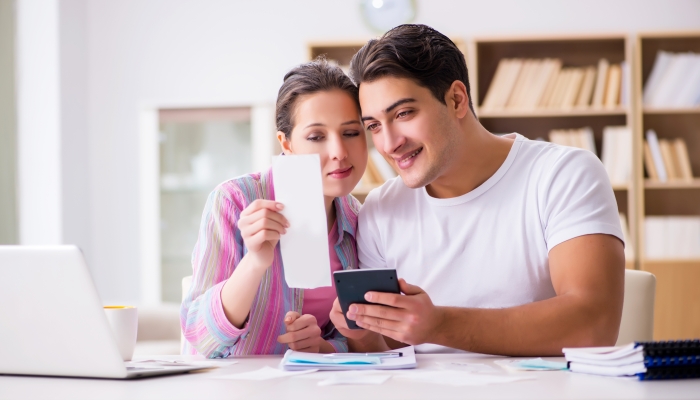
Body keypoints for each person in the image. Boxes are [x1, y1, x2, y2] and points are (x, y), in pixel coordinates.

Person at [329, 24, 626, 356]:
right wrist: (360, 330)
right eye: (373, 126)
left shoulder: (563, 175)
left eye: (403, 113)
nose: (389, 143)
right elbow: (388, 348)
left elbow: (593, 324)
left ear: (456, 99)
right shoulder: (381, 208)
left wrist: (439, 325)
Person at [181, 58, 367, 357]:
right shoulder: (233, 200)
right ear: (287, 143)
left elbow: (351, 332)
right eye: (316, 136)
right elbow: (201, 337)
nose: (339, 152)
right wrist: (254, 262)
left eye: (350, 132)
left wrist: (323, 346)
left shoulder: (357, 218)